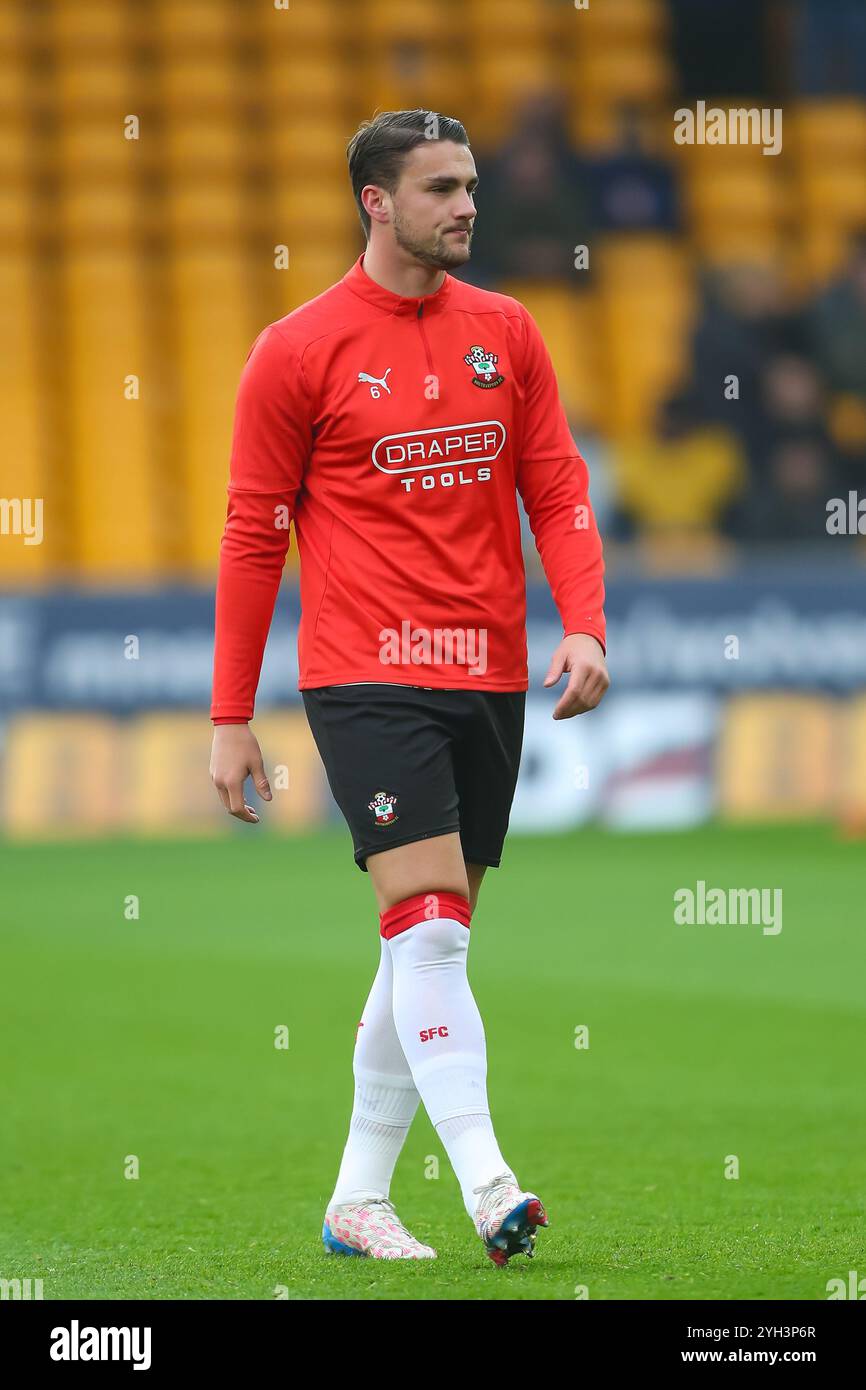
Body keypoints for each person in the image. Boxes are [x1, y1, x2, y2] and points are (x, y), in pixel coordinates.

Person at [209, 109, 609, 1267]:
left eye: (470, 184)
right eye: (440, 188)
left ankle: (355, 1200)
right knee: (429, 933)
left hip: (487, 671)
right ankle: (489, 1185)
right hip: (365, 671)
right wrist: (230, 714)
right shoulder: (297, 349)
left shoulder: (507, 330)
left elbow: (557, 486)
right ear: (374, 202)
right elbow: (251, 535)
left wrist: (582, 624)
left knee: (421, 945)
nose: (466, 205)